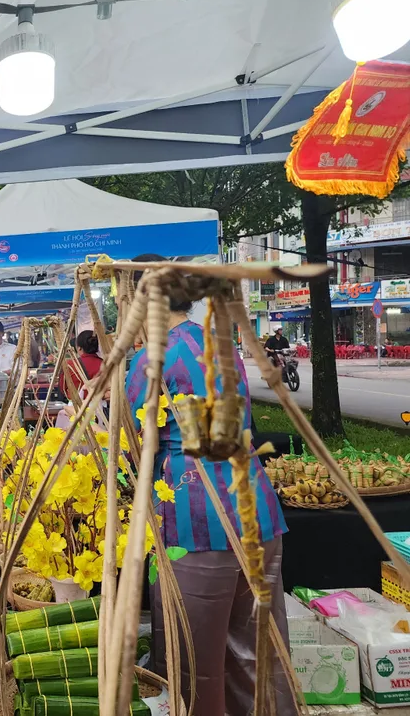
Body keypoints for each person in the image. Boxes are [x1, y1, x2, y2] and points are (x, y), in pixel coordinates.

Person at [125, 254, 292, 716]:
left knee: (194, 664)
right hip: (255, 509)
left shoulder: (150, 359)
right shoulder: (220, 344)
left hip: (195, 521)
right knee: (256, 654)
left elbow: (137, 445)